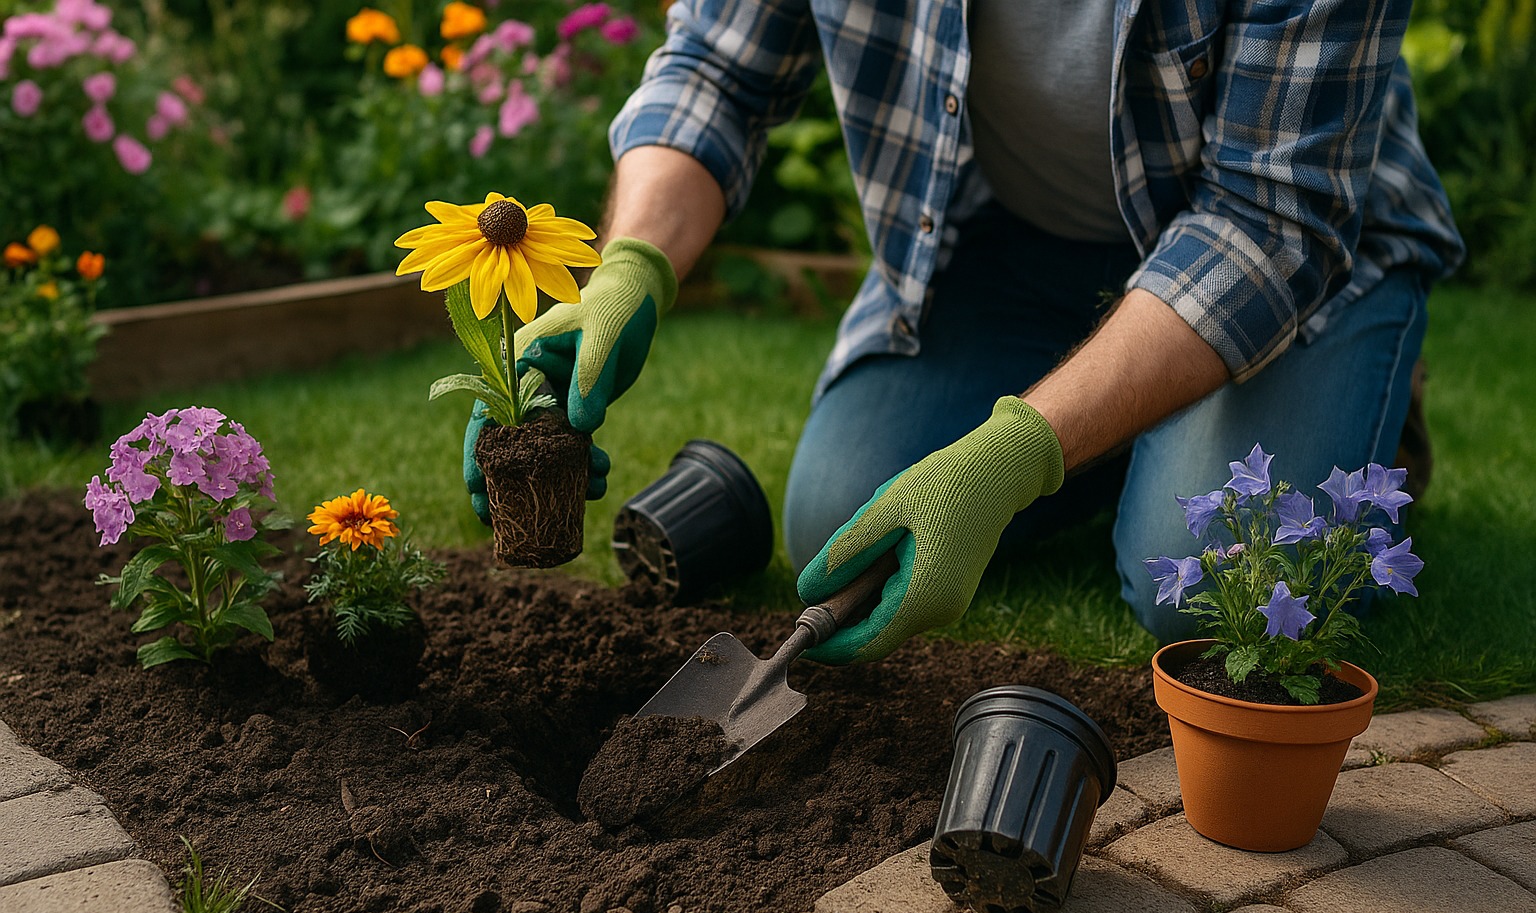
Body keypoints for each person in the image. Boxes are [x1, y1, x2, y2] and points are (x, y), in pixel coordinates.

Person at [470, 0, 1463, 665]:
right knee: (843, 526)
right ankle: (1133, 418)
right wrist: (632, 266)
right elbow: (716, 71)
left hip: (1282, 253)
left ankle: (1342, 391)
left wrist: (1012, 455)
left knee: (1205, 587)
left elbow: (1270, 219)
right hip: (1020, 244)